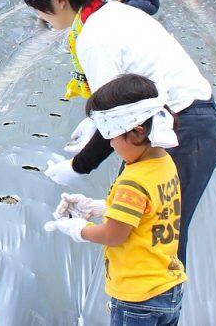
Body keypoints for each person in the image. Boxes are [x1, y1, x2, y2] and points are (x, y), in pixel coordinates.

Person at [16, 0, 216, 266]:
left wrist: (77, 166)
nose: (41, 16)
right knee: (144, 222)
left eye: (39, 8)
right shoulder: (113, 13)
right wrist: (93, 124)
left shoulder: (96, 38)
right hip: (178, 120)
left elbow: (118, 118)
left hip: (184, 126)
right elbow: (118, 103)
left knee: (159, 239)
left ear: (59, 0)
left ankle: (151, 310)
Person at [45, 74, 186, 326]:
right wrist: (98, 207)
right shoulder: (164, 164)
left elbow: (114, 235)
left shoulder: (133, 180)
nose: (109, 143)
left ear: (137, 133)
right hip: (168, 286)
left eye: (112, 137)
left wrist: (80, 229)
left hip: (137, 297)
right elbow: (148, 211)